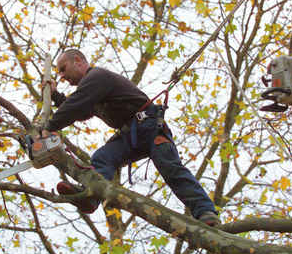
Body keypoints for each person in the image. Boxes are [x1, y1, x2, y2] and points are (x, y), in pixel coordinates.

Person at [41, 48, 219, 226]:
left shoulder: (97, 76)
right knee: (102, 158)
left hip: (149, 127)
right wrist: (55, 95)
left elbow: (76, 105)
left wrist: (49, 128)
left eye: (63, 69)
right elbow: (79, 110)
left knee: (170, 168)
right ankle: (91, 195)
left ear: (78, 60)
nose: (62, 76)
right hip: (130, 134)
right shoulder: (90, 90)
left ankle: (206, 212)